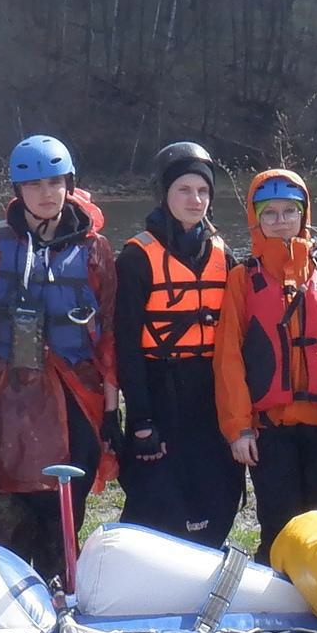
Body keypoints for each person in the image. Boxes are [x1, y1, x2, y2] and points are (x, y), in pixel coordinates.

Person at [0, 135, 118, 578]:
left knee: (63, 513)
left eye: (55, 182)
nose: (47, 194)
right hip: (6, 396)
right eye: (34, 185)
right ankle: (3, 601)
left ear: (69, 184)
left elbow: (108, 336)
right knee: (7, 519)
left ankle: (63, 594)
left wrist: (110, 412)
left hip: (72, 397)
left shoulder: (95, 249)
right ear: (18, 192)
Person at [213, 169, 317, 556]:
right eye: (270, 213)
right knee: (279, 526)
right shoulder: (242, 279)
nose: (280, 220)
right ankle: (274, 596)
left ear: (304, 216)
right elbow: (229, 358)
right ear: (256, 219)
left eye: (289, 211)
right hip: (270, 430)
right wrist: (239, 428)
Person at [113, 141, 243, 546]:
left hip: (209, 388)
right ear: (165, 194)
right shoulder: (137, 257)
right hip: (159, 387)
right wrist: (140, 419)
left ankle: (208, 561)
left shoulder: (226, 256)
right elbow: (126, 347)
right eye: (184, 190)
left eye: (203, 191)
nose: (195, 200)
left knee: (217, 492)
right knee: (157, 497)